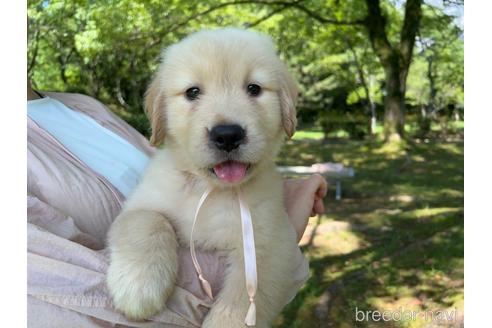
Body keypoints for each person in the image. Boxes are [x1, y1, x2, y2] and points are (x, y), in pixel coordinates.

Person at [27, 79, 327, 327]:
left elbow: (171, 179)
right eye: (193, 92)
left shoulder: (84, 107)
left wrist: (266, 195)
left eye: (253, 88)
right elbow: (84, 308)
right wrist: (276, 232)